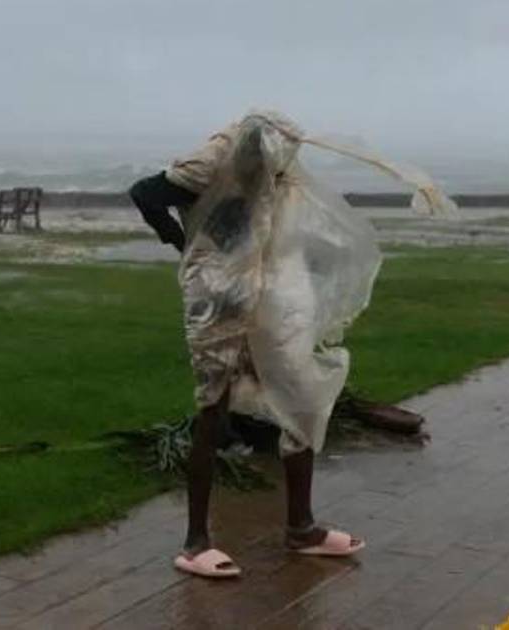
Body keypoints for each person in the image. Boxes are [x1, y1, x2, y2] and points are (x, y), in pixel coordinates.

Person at [129, 113, 365, 579]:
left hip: (268, 288)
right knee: (212, 404)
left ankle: (302, 526)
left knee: (299, 397)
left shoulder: (280, 165)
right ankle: (196, 541)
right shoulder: (209, 162)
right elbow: (145, 193)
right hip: (217, 293)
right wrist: (184, 244)